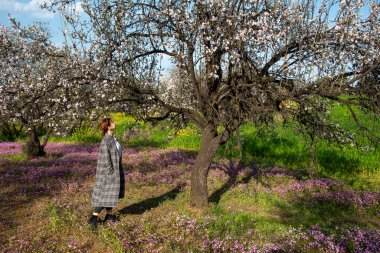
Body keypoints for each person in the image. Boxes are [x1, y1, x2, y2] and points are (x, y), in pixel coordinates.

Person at [88, 118, 125, 227]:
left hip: (116, 169)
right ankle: (93, 218)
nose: (115, 123)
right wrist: (111, 173)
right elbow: (105, 159)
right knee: (105, 195)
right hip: (108, 173)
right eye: (112, 122)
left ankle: (109, 215)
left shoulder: (112, 138)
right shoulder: (105, 141)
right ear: (108, 126)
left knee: (111, 195)